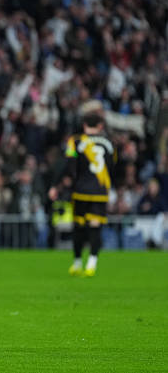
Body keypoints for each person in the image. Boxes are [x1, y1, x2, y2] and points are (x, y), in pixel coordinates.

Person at [49, 113, 116, 276]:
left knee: (78, 226)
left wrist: (56, 185)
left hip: (81, 191)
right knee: (95, 226)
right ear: (100, 126)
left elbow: (68, 165)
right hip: (100, 192)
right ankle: (92, 263)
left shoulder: (76, 141)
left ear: (85, 125)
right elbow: (113, 166)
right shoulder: (109, 143)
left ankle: (77, 263)